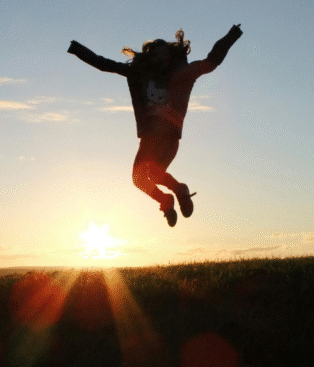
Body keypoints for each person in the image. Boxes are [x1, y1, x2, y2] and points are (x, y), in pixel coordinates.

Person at [67, 24, 242, 226]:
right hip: (149, 139)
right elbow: (105, 64)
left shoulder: (182, 75)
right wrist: (77, 49)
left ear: (172, 57)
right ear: (149, 58)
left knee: (151, 174)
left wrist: (231, 36)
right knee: (139, 179)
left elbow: (210, 62)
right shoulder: (138, 74)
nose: (161, 59)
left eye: (165, 55)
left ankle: (178, 191)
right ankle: (167, 199)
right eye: (156, 55)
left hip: (169, 137)